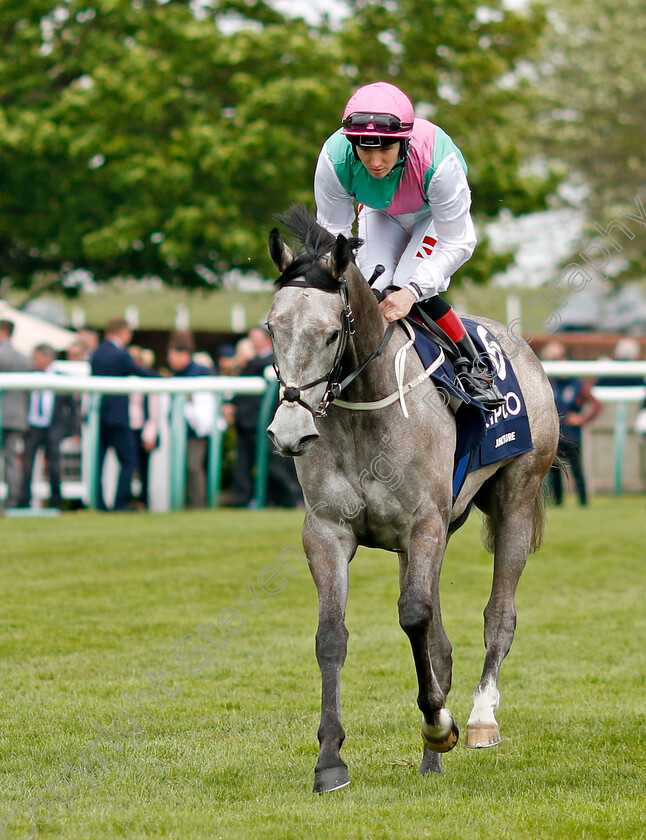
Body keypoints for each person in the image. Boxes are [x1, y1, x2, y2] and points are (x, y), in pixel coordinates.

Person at [314, 80, 502, 408]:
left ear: (404, 141)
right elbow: (333, 234)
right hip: (379, 211)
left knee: (401, 287)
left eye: (385, 148)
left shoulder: (439, 164)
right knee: (373, 291)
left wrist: (412, 292)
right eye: (365, 148)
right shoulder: (334, 159)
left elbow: (459, 241)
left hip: (431, 216)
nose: (374, 162)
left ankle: (472, 365)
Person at [224, 326, 302, 508]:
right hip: (246, 421)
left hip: (265, 420)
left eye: (255, 339)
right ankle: (242, 499)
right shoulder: (252, 362)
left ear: (266, 340)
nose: (251, 342)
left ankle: (290, 499)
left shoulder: (269, 360)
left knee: (273, 462)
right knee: (243, 464)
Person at [91, 317, 156, 511]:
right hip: (118, 417)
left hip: (99, 415)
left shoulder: (97, 354)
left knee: (98, 464)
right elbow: (141, 372)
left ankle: (100, 504)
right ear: (123, 331)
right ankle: (120, 504)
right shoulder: (121, 355)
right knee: (129, 461)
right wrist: (164, 378)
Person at [18, 344, 80, 509]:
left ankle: (56, 502)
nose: (34, 361)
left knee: (54, 466)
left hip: (53, 427)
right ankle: (23, 501)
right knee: (27, 466)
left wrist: (74, 430)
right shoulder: (28, 376)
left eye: (37, 358)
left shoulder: (60, 378)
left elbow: (71, 407)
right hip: (32, 427)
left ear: (48, 359)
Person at [542, 341, 602, 506]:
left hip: (572, 435)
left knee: (577, 470)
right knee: (554, 471)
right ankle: (558, 502)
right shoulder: (552, 383)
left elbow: (597, 404)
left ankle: (583, 502)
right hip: (555, 435)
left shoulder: (577, 384)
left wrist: (582, 419)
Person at [167, 337, 215, 509]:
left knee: (192, 467)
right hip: (180, 431)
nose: (170, 360)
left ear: (184, 355)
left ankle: (197, 505)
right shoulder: (178, 373)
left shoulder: (201, 372)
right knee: (183, 468)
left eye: (172, 355)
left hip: (196, 430)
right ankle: (185, 504)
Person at [0, 320, 32, 508]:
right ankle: (13, 500)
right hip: (17, 415)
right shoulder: (24, 358)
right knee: (13, 459)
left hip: (2, 413)